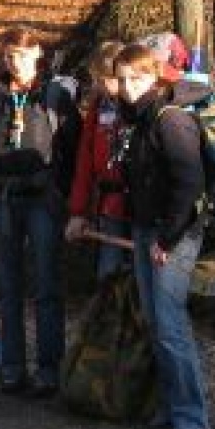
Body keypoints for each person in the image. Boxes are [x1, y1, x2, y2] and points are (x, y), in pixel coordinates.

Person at [111, 41, 211, 429]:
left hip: (173, 234)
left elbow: (189, 185)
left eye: (136, 79)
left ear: (153, 77)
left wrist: (166, 239)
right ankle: (170, 409)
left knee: (170, 326)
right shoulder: (134, 118)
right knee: (155, 324)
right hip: (144, 228)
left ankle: (192, 418)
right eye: (122, 80)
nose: (128, 87)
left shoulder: (170, 121)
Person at [0, 27, 79, 396]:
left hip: (43, 200)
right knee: (8, 286)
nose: (13, 62)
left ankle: (49, 367)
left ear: (37, 54)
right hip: (4, 199)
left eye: (19, 54)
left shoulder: (54, 96)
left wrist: (61, 196)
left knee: (47, 285)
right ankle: (13, 365)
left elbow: (72, 150)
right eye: (8, 55)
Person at [64, 41, 132, 281]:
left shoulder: (142, 108)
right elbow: (85, 160)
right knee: (108, 274)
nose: (100, 85)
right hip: (109, 205)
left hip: (138, 206)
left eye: (106, 79)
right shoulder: (98, 107)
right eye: (97, 79)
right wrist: (78, 210)